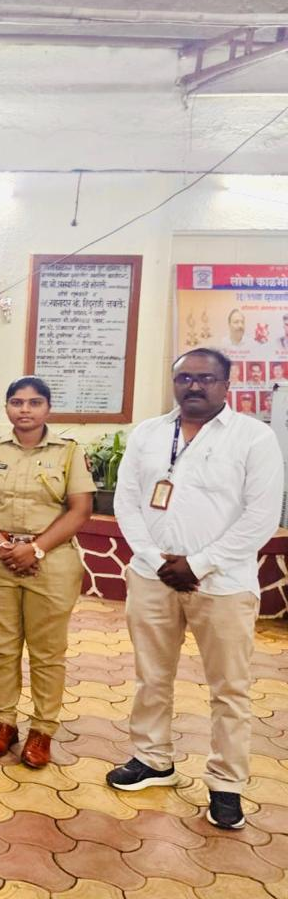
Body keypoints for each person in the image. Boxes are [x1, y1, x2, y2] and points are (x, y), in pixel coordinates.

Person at [107, 348, 282, 831]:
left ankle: (226, 784)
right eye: (185, 378)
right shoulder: (148, 433)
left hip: (222, 584)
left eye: (206, 378)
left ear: (226, 384)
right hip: (153, 577)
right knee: (151, 676)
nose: (194, 386)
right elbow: (126, 502)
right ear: (174, 382)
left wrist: (198, 564)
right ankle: (152, 759)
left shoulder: (254, 437)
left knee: (230, 688)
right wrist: (153, 559)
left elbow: (261, 516)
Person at [0, 377, 94, 768]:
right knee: (1, 647)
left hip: (51, 562)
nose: (25, 409)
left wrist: (35, 549)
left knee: (47, 652)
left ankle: (42, 729)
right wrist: (3, 547)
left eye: (35, 402)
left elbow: (80, 509)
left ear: (47, 408)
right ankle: (3, 723)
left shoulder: (69, 452)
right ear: (7, 407)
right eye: (17, 402)